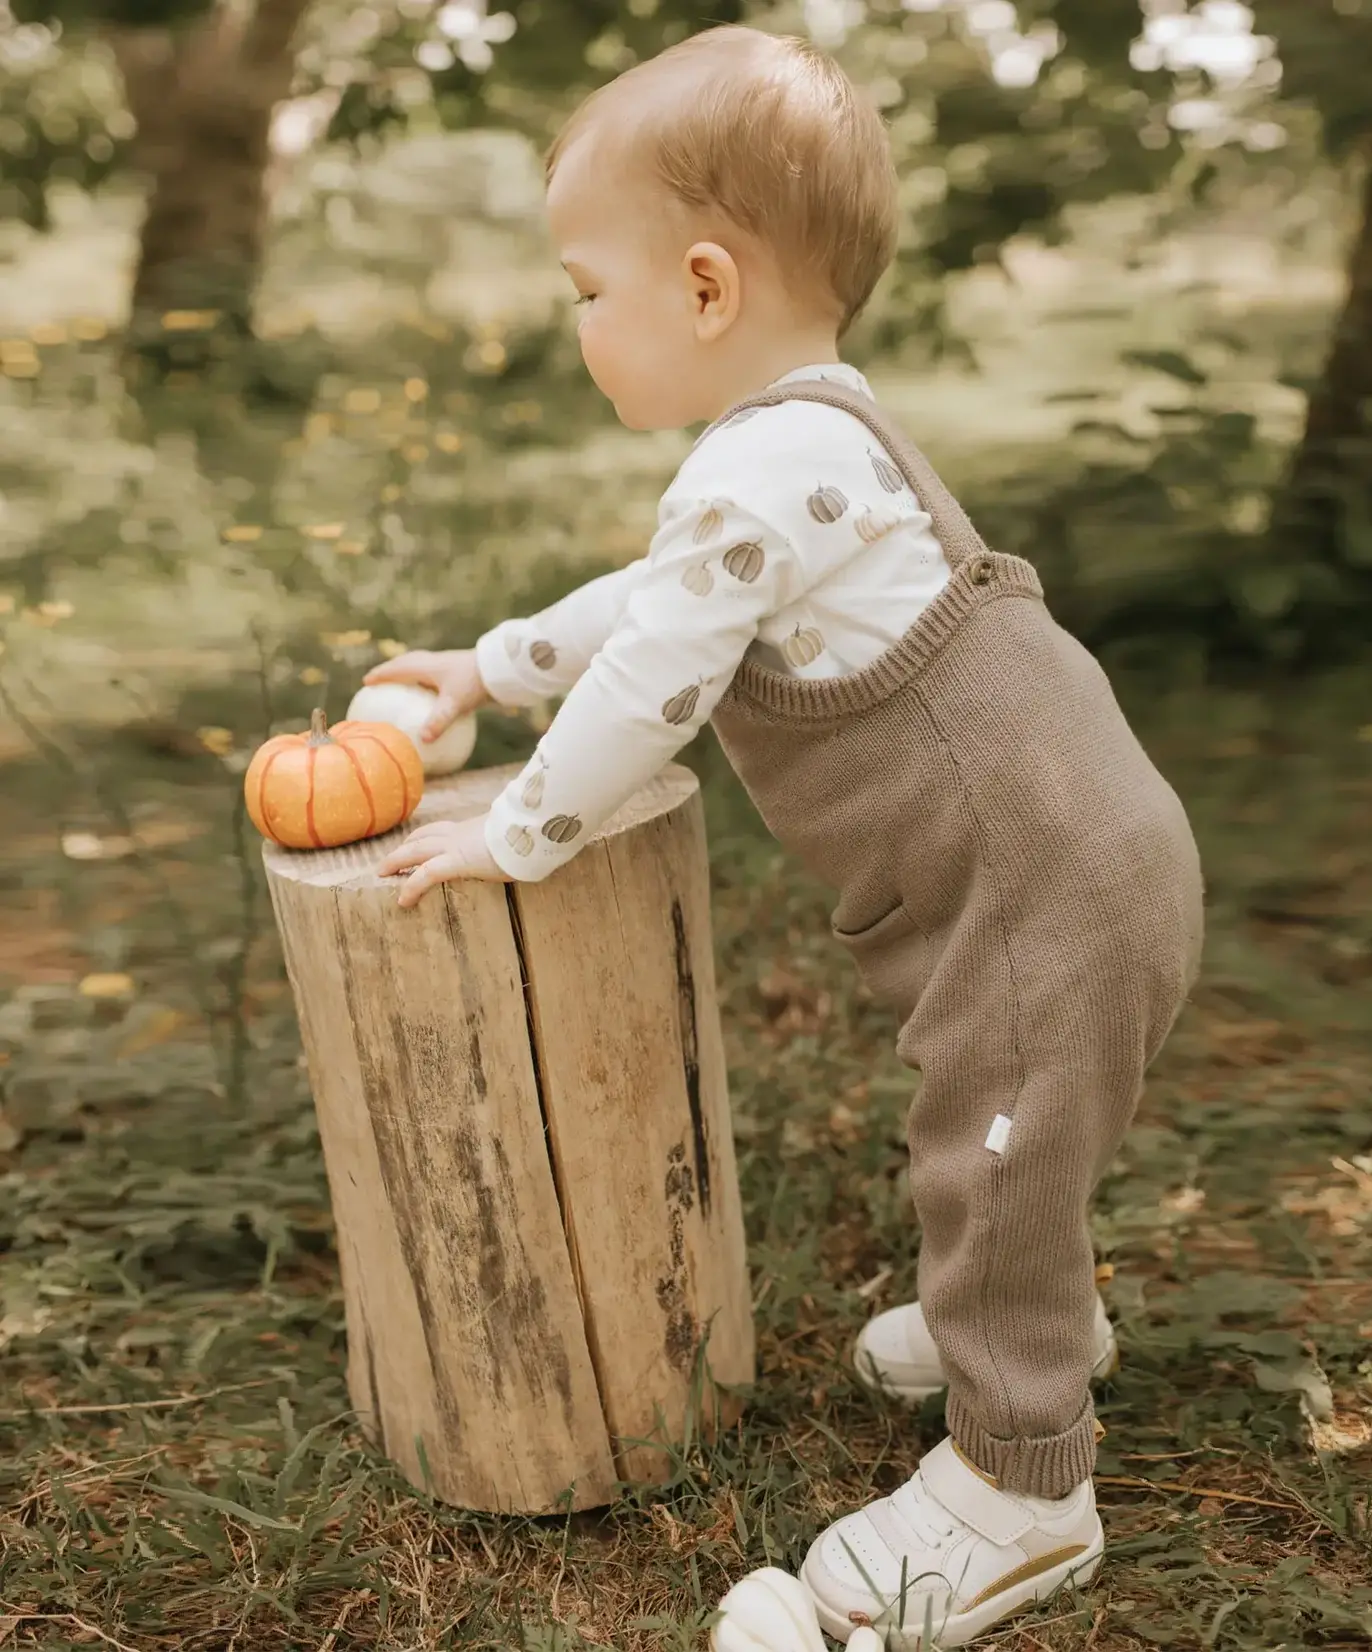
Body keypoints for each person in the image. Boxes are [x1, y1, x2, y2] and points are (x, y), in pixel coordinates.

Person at [367, 24, 1203, 1647]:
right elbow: (653, 607)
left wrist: (523, 831)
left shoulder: (773, 462)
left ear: (701, 287)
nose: (581, 327)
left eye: (584, 292)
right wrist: (489, 664)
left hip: (1050, 889)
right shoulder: (800, 446)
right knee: (1014, 1133)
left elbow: (659, 682)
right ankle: (1039, 1314)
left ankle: (1024, 1489)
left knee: (996, 1143)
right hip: (1070, 863)